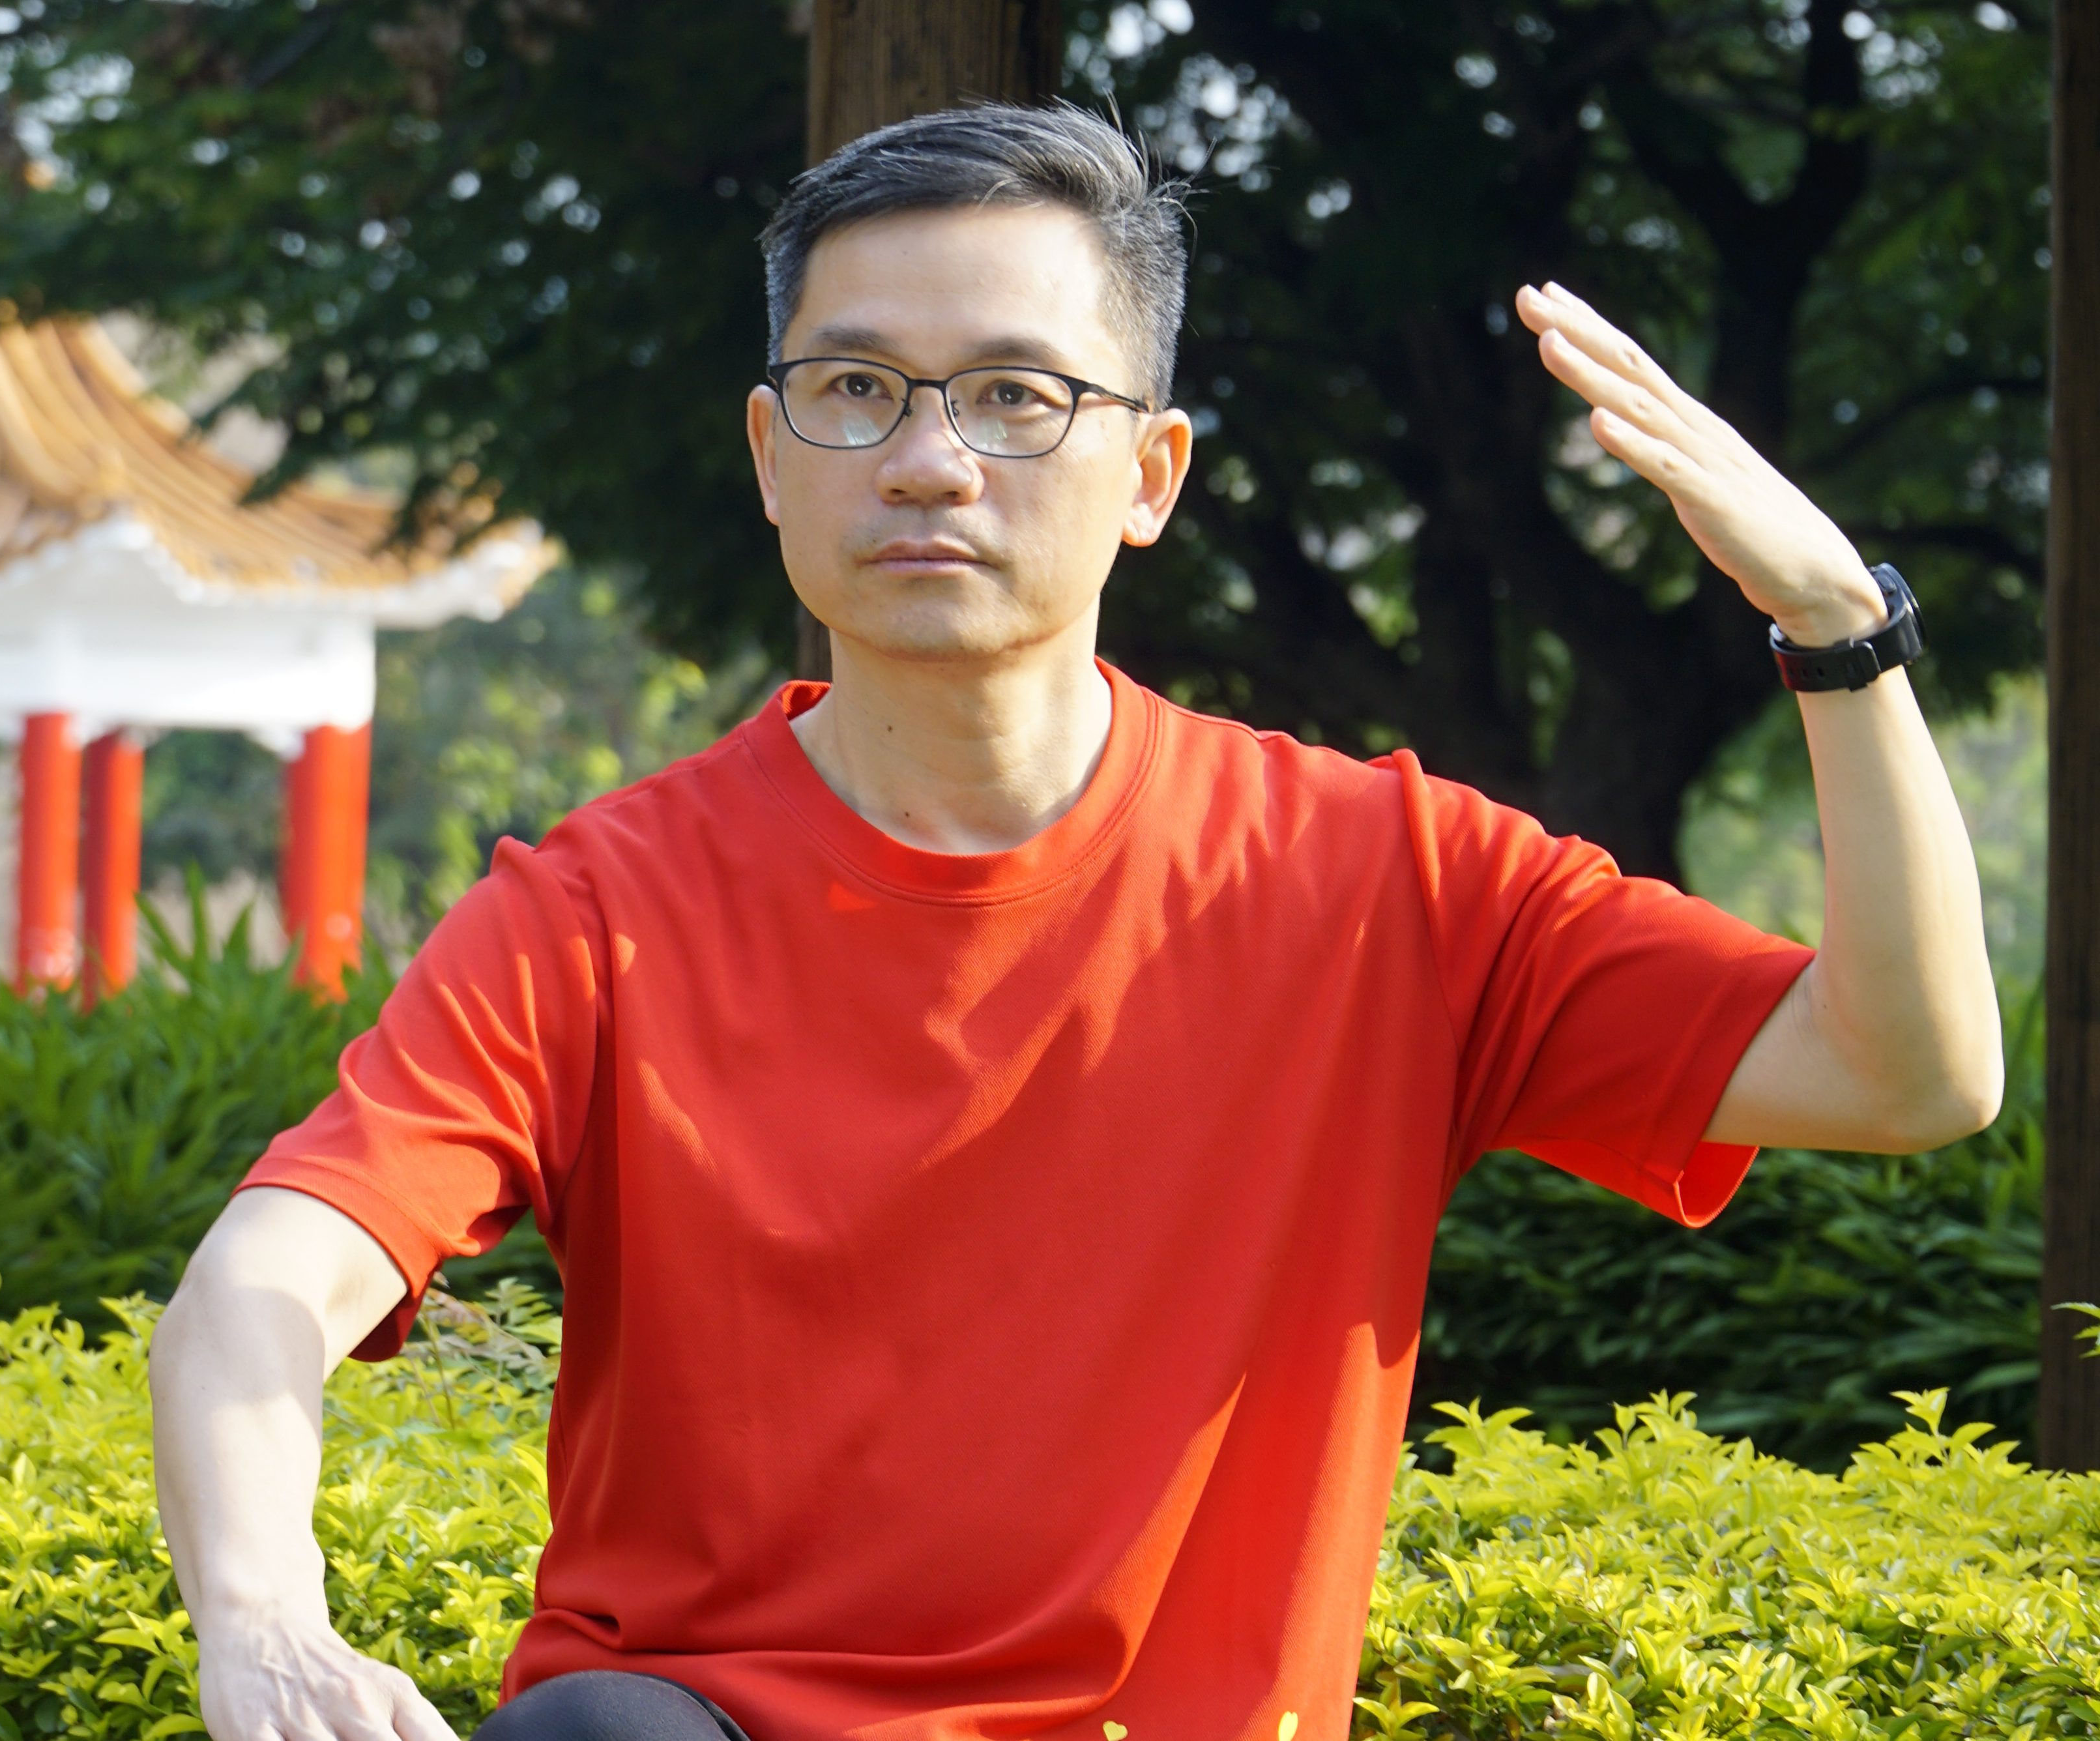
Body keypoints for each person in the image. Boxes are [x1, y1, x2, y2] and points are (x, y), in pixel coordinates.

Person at [147, 102, 2003, 1741]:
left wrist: (1839, 627)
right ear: (773, 455)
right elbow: (260, 1292)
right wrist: (262, 1617)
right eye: (856, 389)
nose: (928, 459)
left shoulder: (1384, 880)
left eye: (1017, 397)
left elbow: (1904, 1073)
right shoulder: (596, 914)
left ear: (1151, 475)